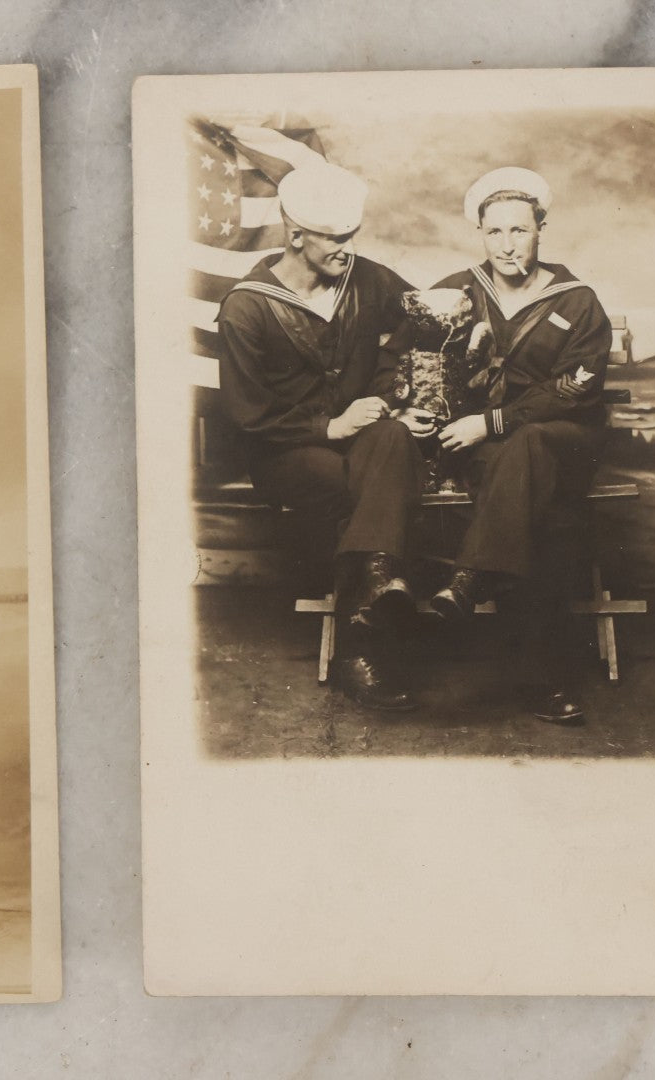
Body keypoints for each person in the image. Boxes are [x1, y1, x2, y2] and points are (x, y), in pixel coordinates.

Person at [216, 162, 432, 711]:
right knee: (350, 483)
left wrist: (389, 390)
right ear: (296, 236)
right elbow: (247, 414)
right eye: (335, 238)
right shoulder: (246, 308)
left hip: (362, 436)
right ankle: (370, 632)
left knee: (393, 440)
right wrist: (329, 427)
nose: (346, 247)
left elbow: (420, 318)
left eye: (350, 235)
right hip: (285, 451)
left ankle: (372, 603)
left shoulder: (368, 279)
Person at [427, 168, 613, 725]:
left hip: (564, 442)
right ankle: (544, 682)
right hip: (491, 454)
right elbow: (423, 367)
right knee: (549, 520)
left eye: (520, 231)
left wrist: (491, 421)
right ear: (481, 235)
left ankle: (468, 580)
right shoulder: (458, 292)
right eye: (495, 233)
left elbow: (571, 394)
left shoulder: (577, 300)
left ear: (541, 230)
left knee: (530, 442)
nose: (508, 246)